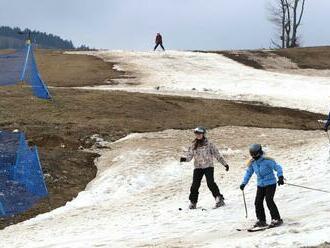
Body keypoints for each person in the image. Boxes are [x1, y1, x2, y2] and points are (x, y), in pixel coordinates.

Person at [180, 127, 229, 209]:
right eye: (196, 134)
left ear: (203, 134)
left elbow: (217, 155)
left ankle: (219, 199)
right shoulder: (193, 145)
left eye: (199, 134)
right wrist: (184, 159)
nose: (198, 135)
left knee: (210, 183)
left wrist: (225, 164)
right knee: (195, 185)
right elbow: (189, 157)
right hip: (198, 167)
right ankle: (193, 202)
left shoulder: (209, 144)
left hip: (208, 166)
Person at [240, 144, 284, 228]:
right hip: (260, 185)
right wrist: (243, 183)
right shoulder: (253, 163)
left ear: (259, 153)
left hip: (271, 184)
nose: (253, 156)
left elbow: (277, 167)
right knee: (258, 202)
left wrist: (280, 177)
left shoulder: (267, 161)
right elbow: (248, 173)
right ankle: (261, 220)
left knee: (269, 200)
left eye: (255, 154)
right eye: (251, 155)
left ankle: (276, 219)